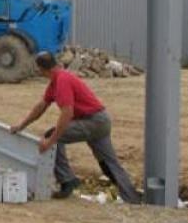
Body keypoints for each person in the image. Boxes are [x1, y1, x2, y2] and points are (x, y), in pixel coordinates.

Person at [10, 52, 142, 203]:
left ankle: (67, 180)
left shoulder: (62, 80)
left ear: (43, 69)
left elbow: (67, 113)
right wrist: (21, 125)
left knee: (52, 135)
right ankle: (132, 198)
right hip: (100, 121)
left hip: (93, 121)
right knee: (108, 163)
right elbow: (41, 106)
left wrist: (51, 141)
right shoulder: (56, 80)